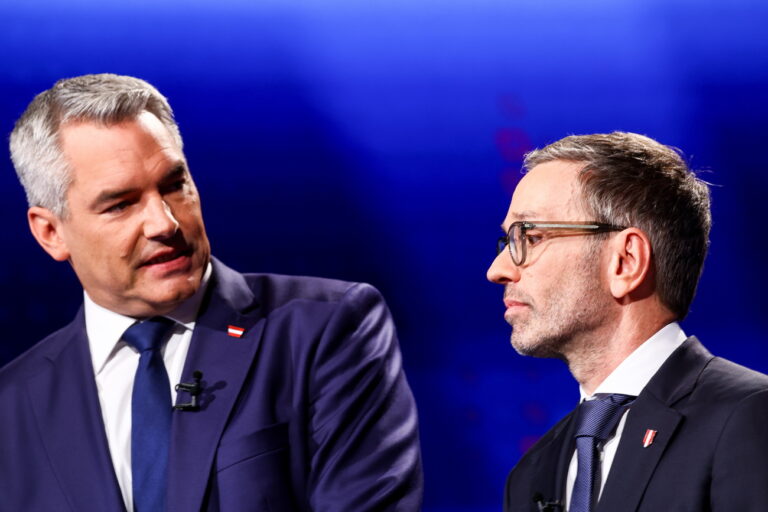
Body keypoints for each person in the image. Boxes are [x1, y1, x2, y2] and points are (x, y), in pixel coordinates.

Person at [0, 74, 422, 512]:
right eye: (121, 204)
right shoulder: (10, 407)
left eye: (173, 185)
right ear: (51, 232)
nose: (164, 223)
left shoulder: (325, 329)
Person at [487, 132, 768, 512]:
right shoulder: (533, 472)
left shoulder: (750, 417)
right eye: (507, 243)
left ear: (626, 262)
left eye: (531, 237)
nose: (497, 270)